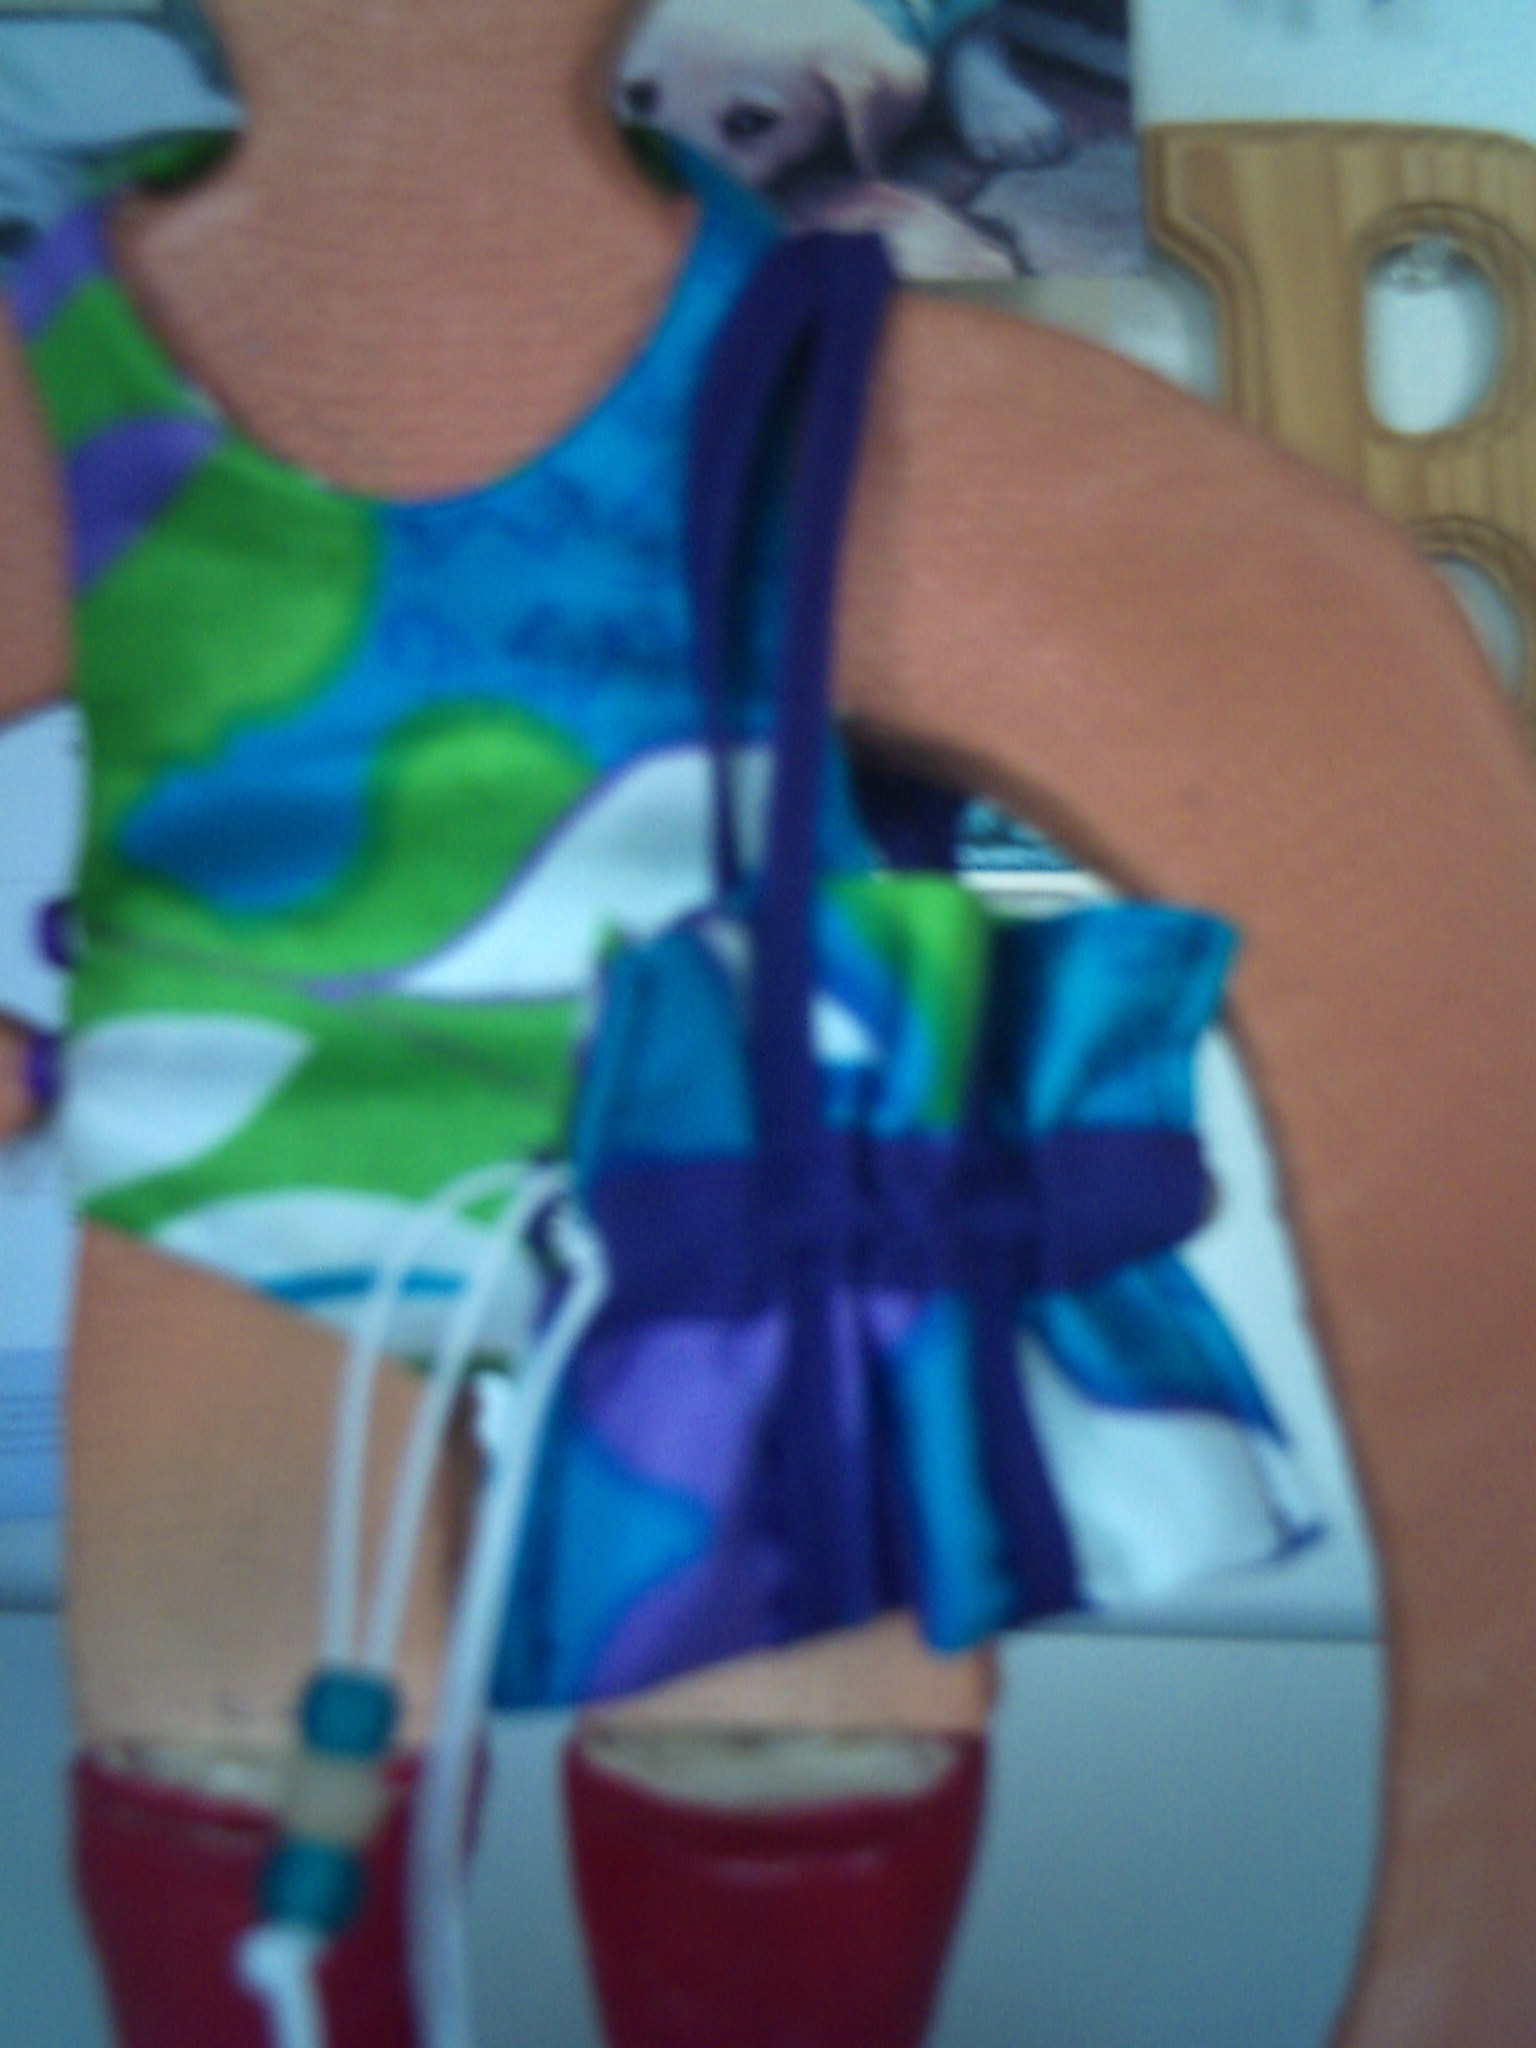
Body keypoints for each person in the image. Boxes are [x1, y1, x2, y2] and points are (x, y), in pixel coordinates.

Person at [3, 3, 1536, 2045]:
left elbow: (1352, 832)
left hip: (759, 1191)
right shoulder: (63, 386)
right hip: (251, 1174)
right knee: (240, 1760)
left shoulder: (850, 392)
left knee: (778, 1752)